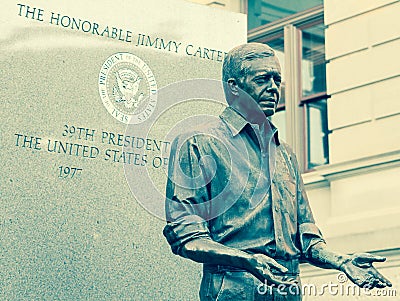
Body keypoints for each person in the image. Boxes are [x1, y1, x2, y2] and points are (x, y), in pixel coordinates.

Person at [163, 43, 391, 300]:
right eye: (262, 79)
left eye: (277, 79)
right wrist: (248, 261)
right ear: (234, 86)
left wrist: (342, 260)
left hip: (288, 290)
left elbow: (306, 236)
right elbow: (186, 235)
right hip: (233, 289)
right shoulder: (198, 141)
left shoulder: (285, 153)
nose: (273, 87)